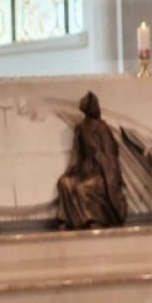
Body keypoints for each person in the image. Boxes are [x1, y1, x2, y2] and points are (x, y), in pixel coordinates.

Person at [57, 92, 127, 229]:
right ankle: (72, 220)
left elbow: (110, 157)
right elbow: (77, 154)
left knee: (82, 187)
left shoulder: (102, 128)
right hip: (84, 171)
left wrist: (98, 156)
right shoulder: (80, 128)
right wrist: (72, 170)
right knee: (64, 183)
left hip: (100, 172)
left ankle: (92, 218)